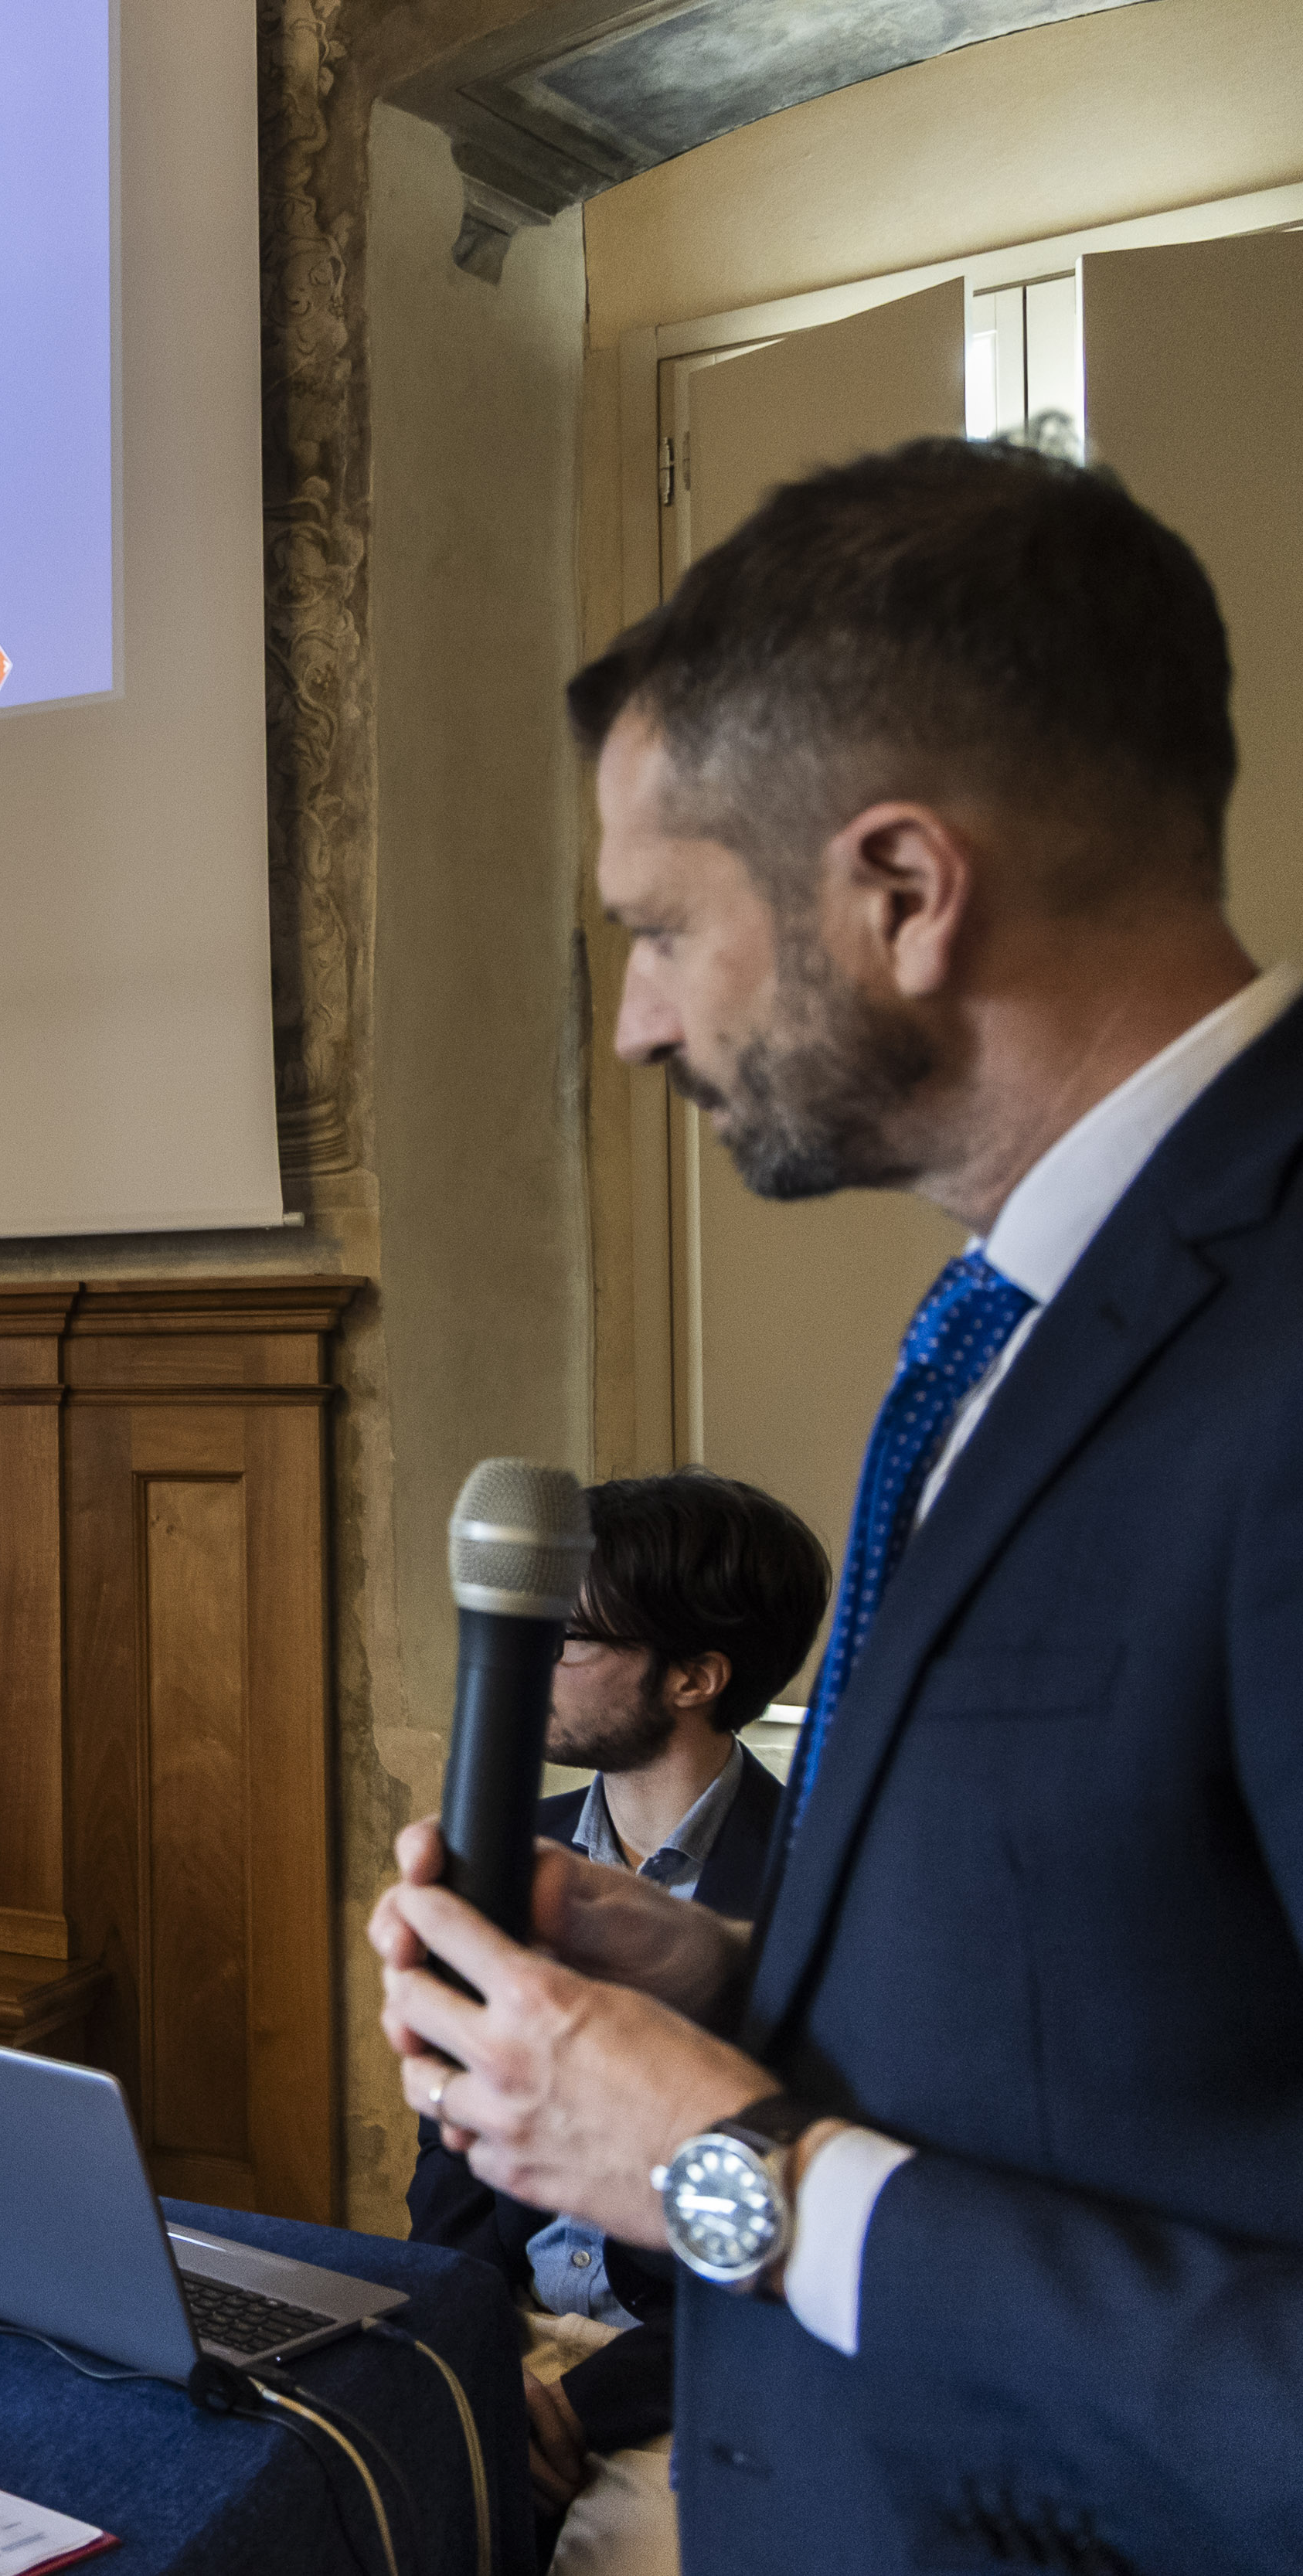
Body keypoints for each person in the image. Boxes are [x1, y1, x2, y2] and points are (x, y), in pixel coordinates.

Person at [369, 437, 1303, 2574]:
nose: (636, 1021)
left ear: (900, 885)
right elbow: (1155, 2006)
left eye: (665, 925)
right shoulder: (1014, 1321)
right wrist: (718, 1968)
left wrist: (726, 2164)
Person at [404, 1469, 825, 2574]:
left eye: (572, 1639)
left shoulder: (827, 1887)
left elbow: (795, 2233)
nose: (533, 1663)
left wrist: (579, 2408)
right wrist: (473, 2352)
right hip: (501, 2334)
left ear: (694, 1675)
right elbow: (443, 2151)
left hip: (706, 2365)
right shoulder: (513, 1840)